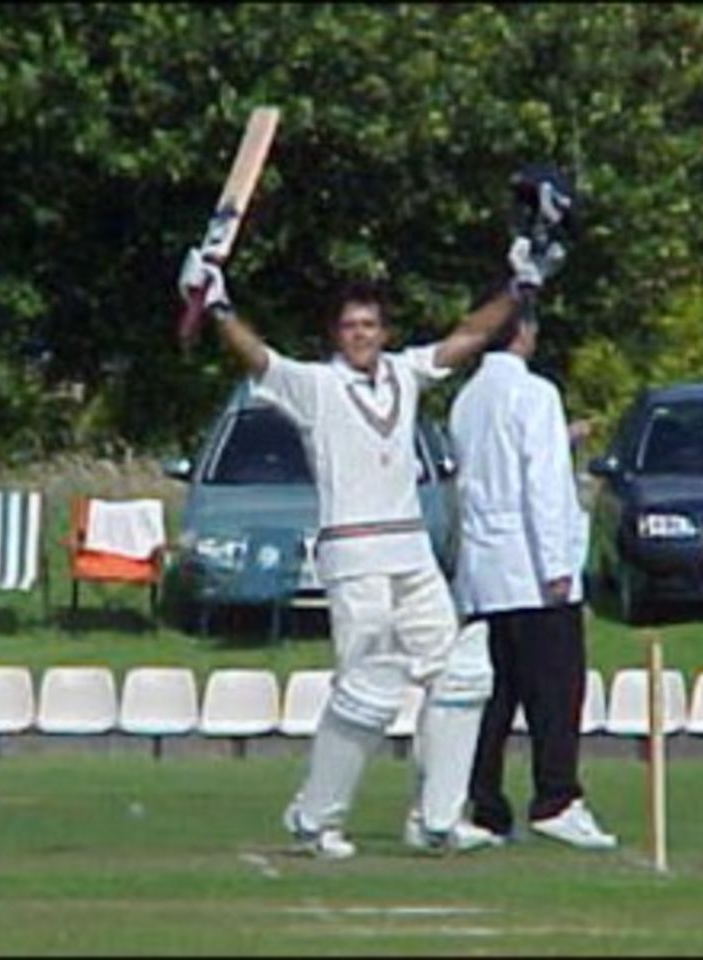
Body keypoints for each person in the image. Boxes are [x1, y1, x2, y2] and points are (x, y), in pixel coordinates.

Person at [176, 224, 567, 859]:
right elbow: (258, 358)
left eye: (370, 325)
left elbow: (467, 337)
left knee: (463, 675)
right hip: (354, 555)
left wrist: (520, 286)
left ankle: (437, 818)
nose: (361, 335)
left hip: (411, 552)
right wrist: (217, 303)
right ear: (337, 334)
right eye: (350, 326)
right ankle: (314, 818)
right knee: (367, 689)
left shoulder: (405, 374)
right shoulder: (314, 385)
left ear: (383, 331)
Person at [449, 303, 618, 850]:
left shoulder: (467, 399)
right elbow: (542, 487)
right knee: (554, 691)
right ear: (522, 332)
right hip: (531, 572)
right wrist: (557, 569)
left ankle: (485, 804)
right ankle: (557, 798)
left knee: (495, 697)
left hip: (484, 572)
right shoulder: (535, 393)